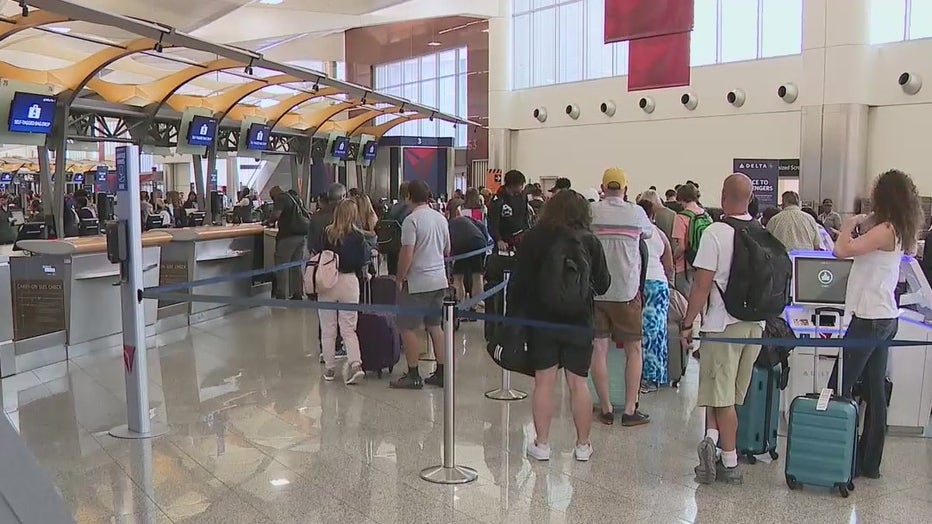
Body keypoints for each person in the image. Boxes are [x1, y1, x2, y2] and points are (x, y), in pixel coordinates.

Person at [831, 169, 921, 479]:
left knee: (838, 386)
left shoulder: (884, 229)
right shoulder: (898, 229)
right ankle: (869, 463)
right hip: (885, 317)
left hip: (868, 319)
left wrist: (847, 225)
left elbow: (840, 250)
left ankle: (836, 455)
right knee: (874, 392)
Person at [510, 189, 610, 461]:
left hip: (542, 319)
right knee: (579, 383)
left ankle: (542, 445)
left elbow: (519, 282)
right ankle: (582, 445)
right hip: (579, 320)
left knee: (544, 382)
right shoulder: (589, 240)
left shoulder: (535, 238)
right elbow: (603, 284)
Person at [681, 173, 763, 485]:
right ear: (751, 198)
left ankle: (729, 462)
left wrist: (688, 323)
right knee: (725, 394)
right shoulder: (761, 232)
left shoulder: (715, 233)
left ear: (724, 197)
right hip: (755, 326)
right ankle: (711, 442)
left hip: (722, 325)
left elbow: (701, 285)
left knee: (722, 397)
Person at [590, 168, 654, 426]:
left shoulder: (592, 212)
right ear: (626, 189)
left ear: (602, 188)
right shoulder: (636, 212)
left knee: (599, 349)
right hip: (627, 292)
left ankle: (605, 407)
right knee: (634, 349)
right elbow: (648, 235)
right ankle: (629, 409)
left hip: (597, 292)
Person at [390, 180, 451, 390]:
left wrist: (400, 277)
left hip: (417, 282)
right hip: (439, 279)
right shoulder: (440, 218)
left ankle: (414, 373)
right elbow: (447, 249)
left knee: (407, 327)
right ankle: (442, 372)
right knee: (435, 326)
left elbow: (407, 252)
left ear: (408, 196)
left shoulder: (411, 220)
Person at [316, 200, 369, 385]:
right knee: (348, 328)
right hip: (349, 282)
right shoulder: (359, 236)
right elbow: (362, 262)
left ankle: (330, 368)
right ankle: (356, 364)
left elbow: (321, 255)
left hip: (328, 282)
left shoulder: (327, 233)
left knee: (328, 328)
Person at [636, 198, 674, 392]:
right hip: (660, 284)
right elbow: (669, 265)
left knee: (645, 333)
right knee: (658, 331)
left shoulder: (636, 233)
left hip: (642, 284)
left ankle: (646, 377)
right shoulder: (659, 233)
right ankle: (658, 375)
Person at [267, 185, 309, 300]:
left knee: (282, 265)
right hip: (300, 235)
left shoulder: (280, 198)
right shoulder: (293, 197)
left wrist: (267, 222)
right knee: (295, 266)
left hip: (288, 237)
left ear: (274, 195)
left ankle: (281, 294)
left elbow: (276, 215)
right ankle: (297, 293)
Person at [446, 198, 488, 307]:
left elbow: (448, 245)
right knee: (477, 274)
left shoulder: (449, 224)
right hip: (478, 243)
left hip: (460, 245)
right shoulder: (468, 219)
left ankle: (459, 303)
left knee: (458, 276)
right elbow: (483, 228)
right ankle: (475, 302)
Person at [672, 183, 707, 296]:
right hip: (703, 264)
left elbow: (682, 247)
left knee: (685, 304)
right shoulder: (705, 215)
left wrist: (672, 259)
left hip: (685, 266)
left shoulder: (681, 217)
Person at [488, 170, 532, 252]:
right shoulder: (497, 200)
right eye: (521, 185)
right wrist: (499, 240)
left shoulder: (523, 197)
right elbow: (493, 223)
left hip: (521, 238)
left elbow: (525, 217)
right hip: (504, 242)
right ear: (513, 185)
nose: (522, 188)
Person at [308, 183, 346, 256]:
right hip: (344, 259)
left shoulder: (316, 217)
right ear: (342, 196)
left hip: (322, 260)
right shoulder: (347, 215)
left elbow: (311, 243)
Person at [384, 182, 412, 276]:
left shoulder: (392, 208)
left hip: (391, 244)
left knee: (392, 274)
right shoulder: (410, 209)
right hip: (404, 245)